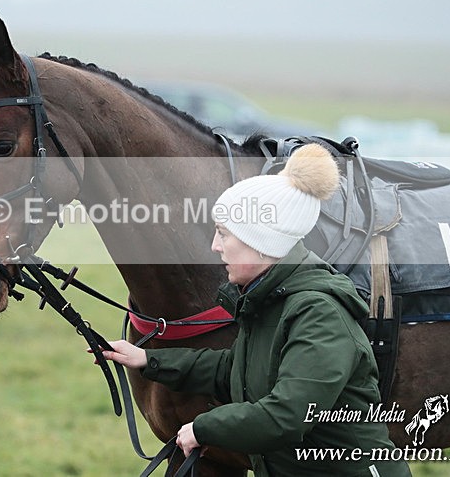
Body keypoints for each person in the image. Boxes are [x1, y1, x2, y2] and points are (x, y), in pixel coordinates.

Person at [101, 144, 411, 476]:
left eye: (223, 234)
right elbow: (234, 369)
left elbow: (288, 416)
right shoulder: (269, 300)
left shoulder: (318, 313)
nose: (215, 246)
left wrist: (204, 428)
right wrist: (147, 360)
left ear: (261, 242)